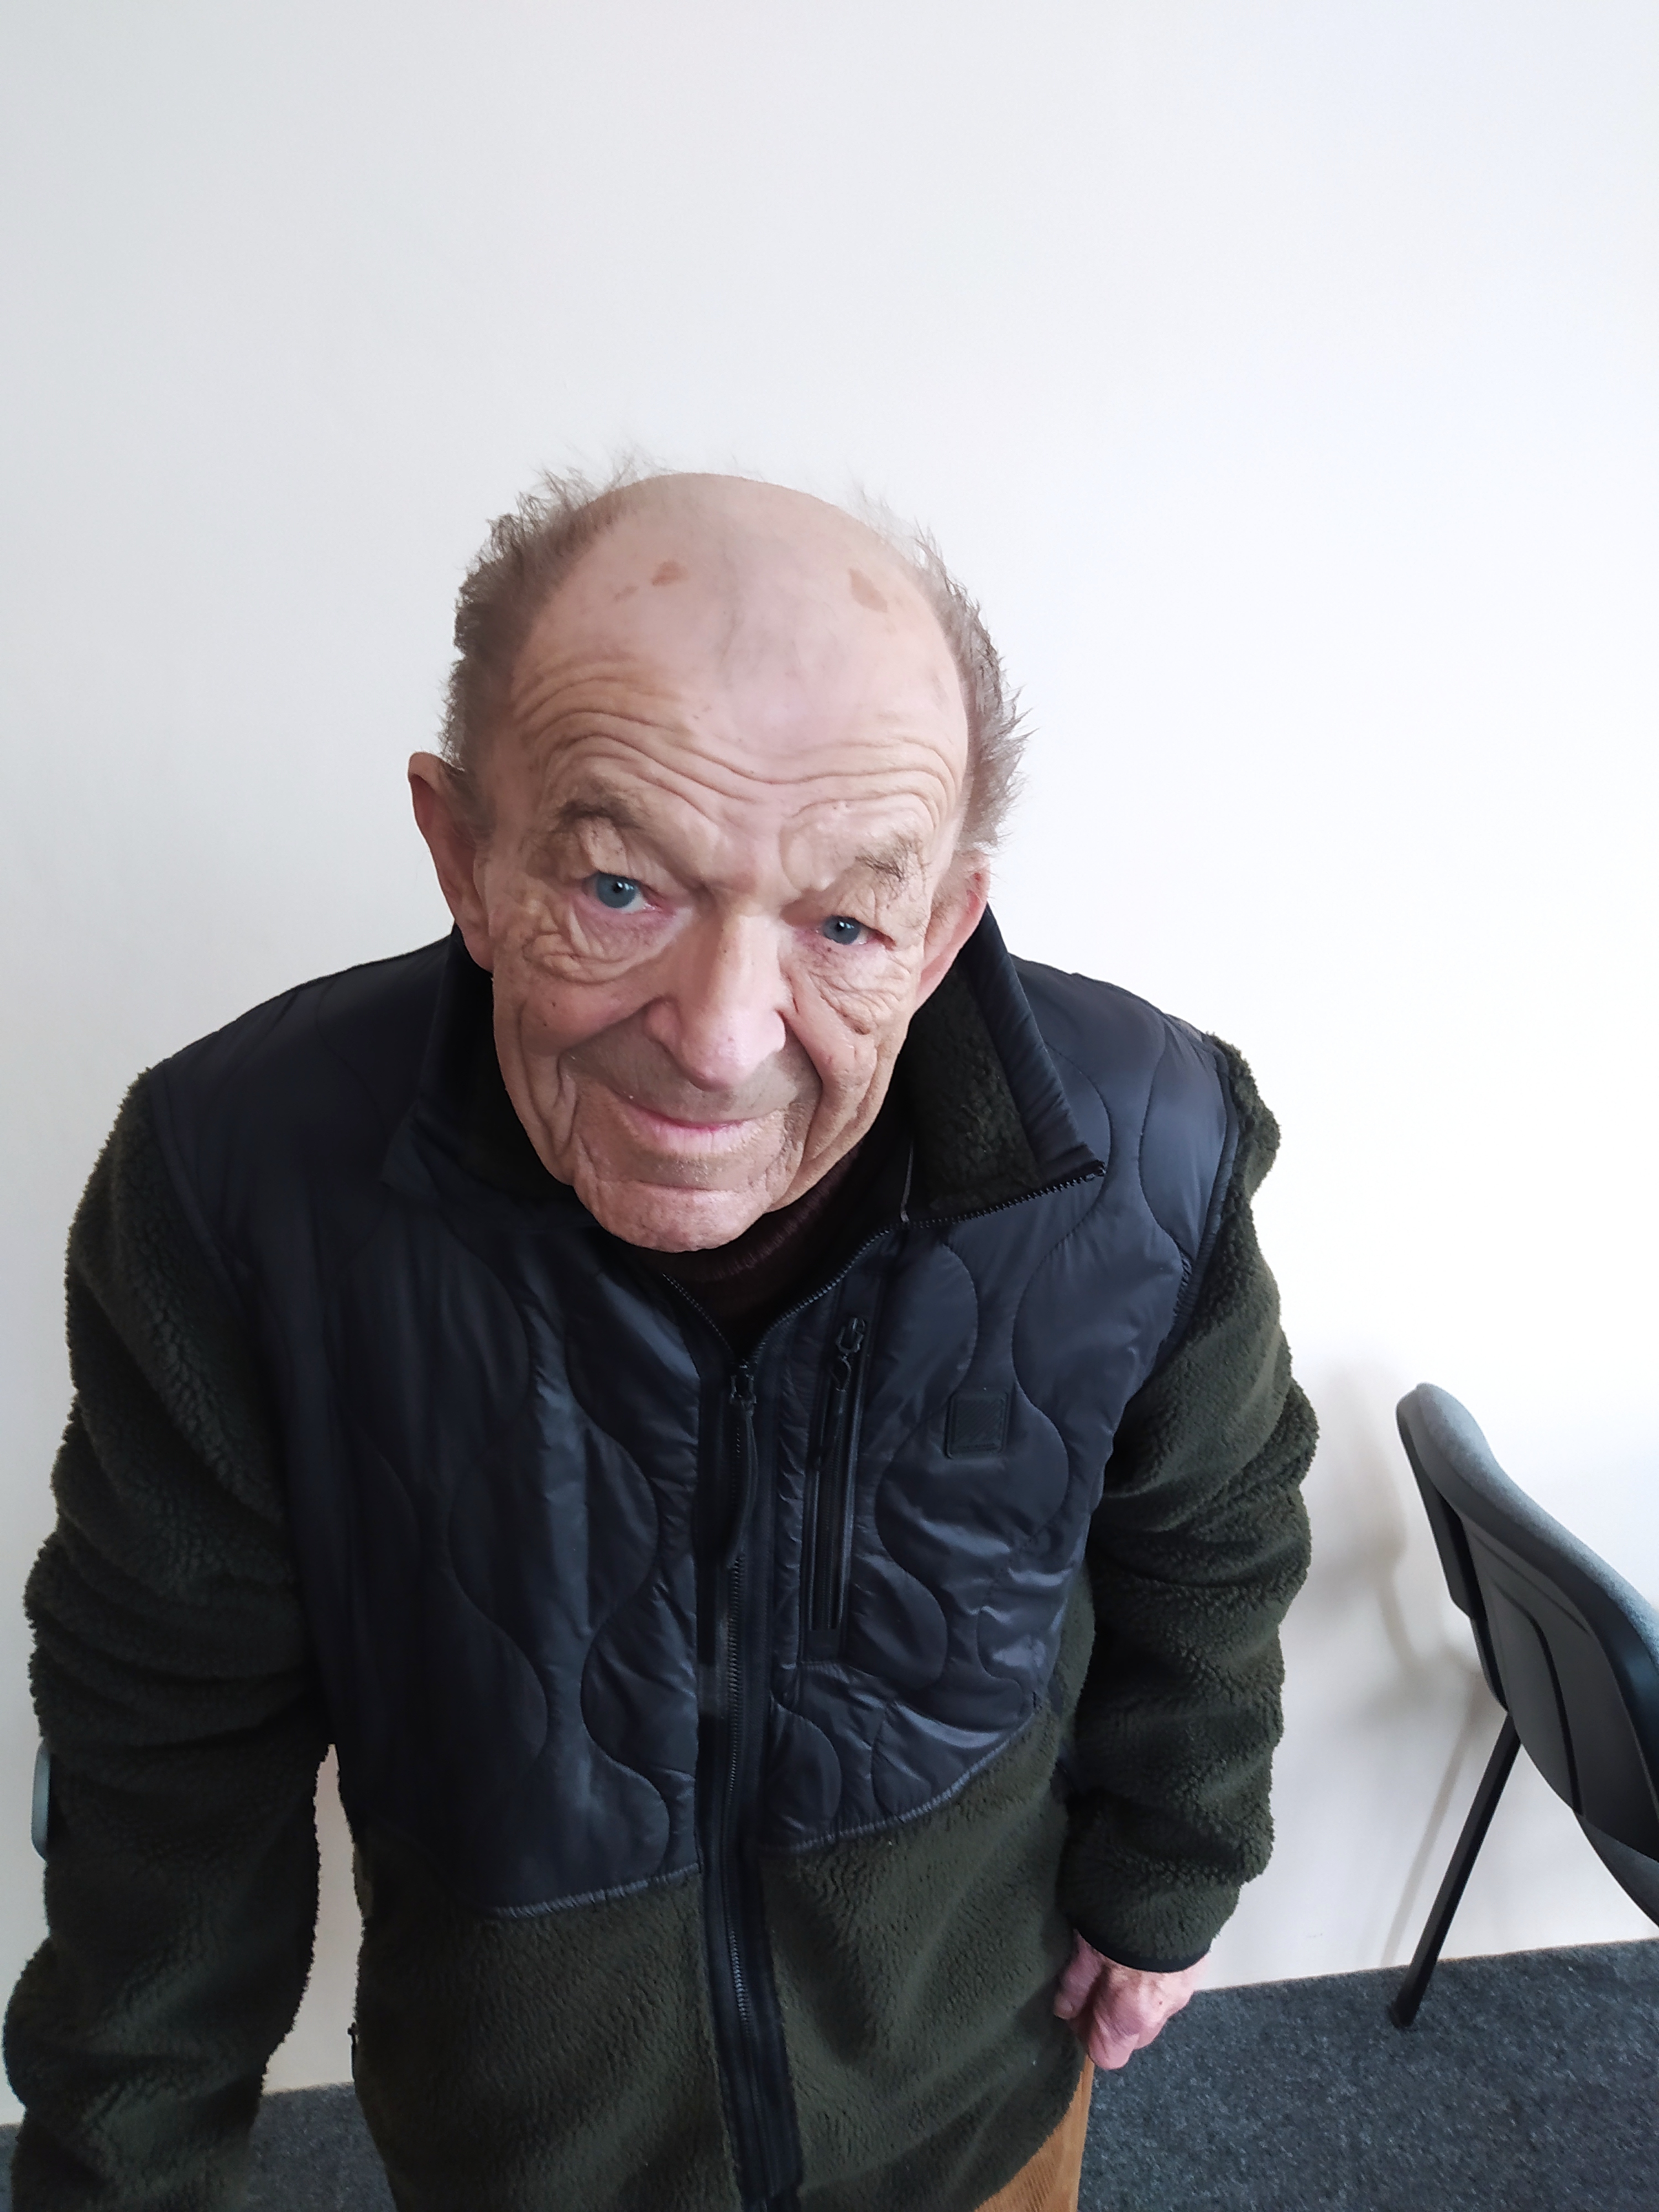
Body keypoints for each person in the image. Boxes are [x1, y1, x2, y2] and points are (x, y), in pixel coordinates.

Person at [3, 471, 1315, 2212]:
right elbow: (167, 1771)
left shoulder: (1153, 1149)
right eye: (622, 886)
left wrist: (1174, 1875)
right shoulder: (235, 1189)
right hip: (523, 2163)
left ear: (941, 931)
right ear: (465, 855)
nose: (719, 1040)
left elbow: (1211, 1538)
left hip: (973, 2125)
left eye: (842, 924)